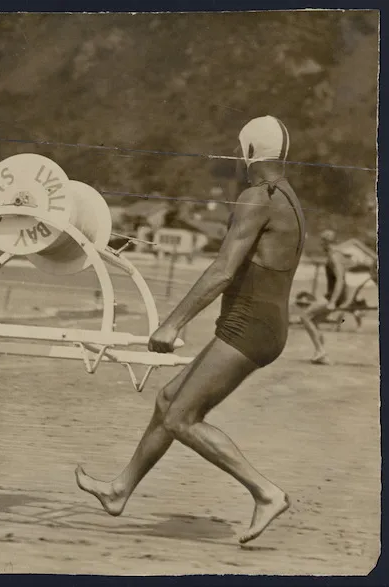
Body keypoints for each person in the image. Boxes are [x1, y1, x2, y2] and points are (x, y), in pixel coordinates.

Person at [76, 116, 305, 544]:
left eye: (238, 152)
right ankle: (119, 489)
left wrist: (172, 322)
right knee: (168, 400)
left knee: (182, 417)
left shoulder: (257, 196)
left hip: (249, 327)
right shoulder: (287, 196)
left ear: (249, 152)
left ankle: (266, 493)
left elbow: (222, 271)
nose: (236, 160)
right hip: (264, 325)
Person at [298, 229, 353, 364]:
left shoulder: (334, 257)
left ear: (326, 243)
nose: (321, 245)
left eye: (322, 242)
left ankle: (321, 351)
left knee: (304, 316)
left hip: (333, 297)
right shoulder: (336, 255)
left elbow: (340, 280)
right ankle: (321, 353)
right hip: (334, 296)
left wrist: (333, 301)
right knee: (314, 321)